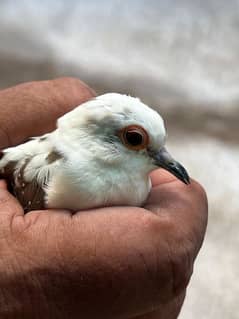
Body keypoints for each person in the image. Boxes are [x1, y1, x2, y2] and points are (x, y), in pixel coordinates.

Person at [0, 77, 208, 319]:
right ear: (98, 135)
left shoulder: (138, 181)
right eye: (135, 139)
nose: (167, 161)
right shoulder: (61, 170)